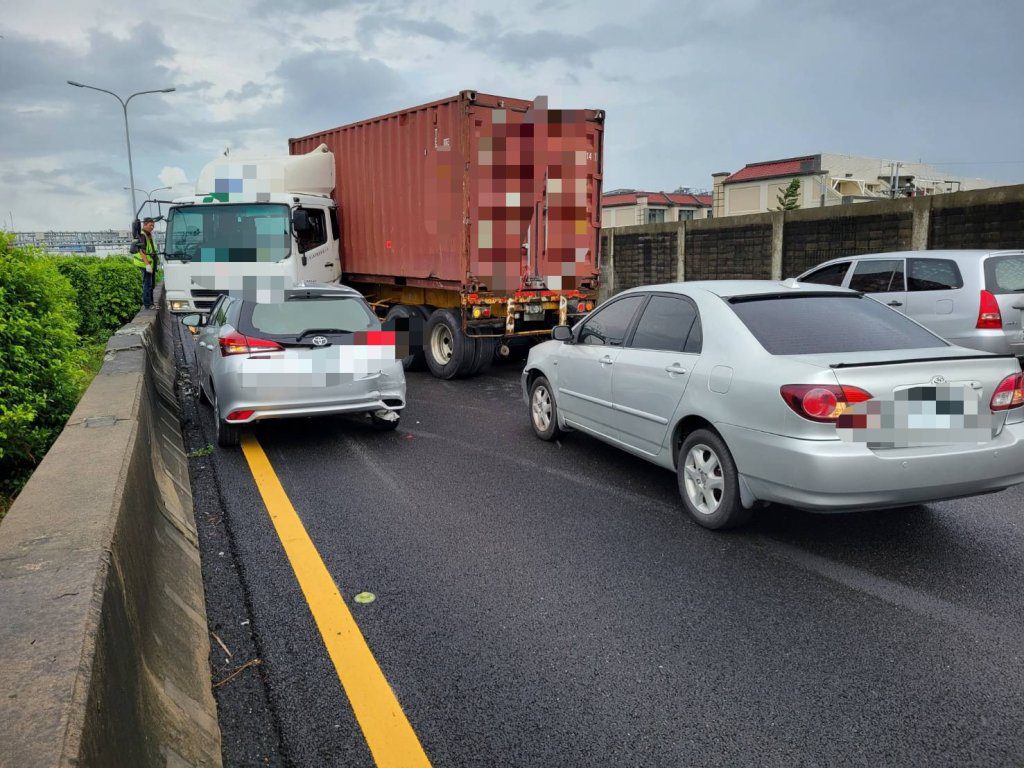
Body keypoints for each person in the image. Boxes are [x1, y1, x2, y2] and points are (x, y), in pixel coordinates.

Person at [130, 218, 157, 309]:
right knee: (147, 284)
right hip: (144, 264)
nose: (152, 227)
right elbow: (142, 251)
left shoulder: (148, 234)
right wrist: (147, 264)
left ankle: (151, 303)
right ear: (145, 225)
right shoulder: (142, 235)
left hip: (150, 263)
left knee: (151, 284)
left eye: (153, 226)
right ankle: (147, 304)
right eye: (150, 225)